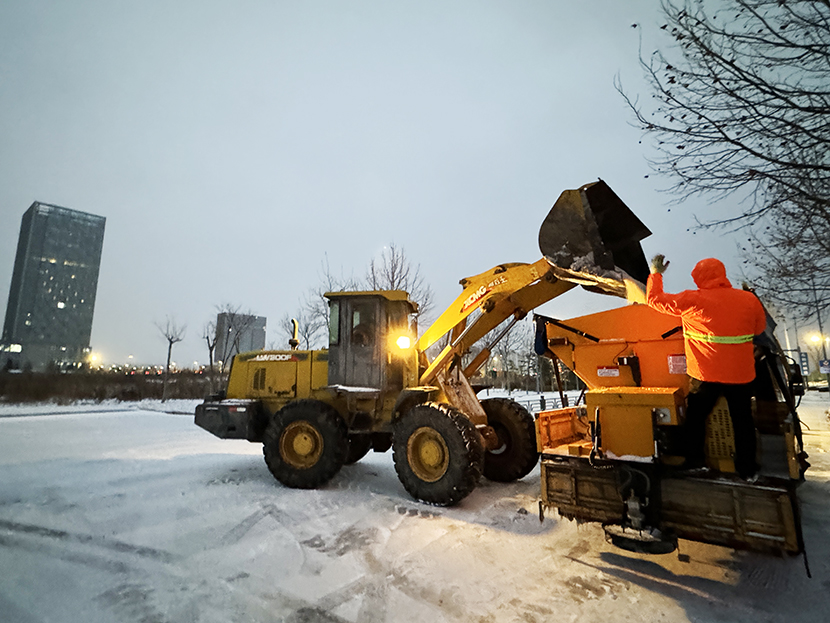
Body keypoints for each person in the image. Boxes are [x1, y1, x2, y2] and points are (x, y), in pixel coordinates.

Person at [646, 255, 767, 480]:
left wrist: (656, 274)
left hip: (705, 375)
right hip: (741, 374)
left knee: (696, 419)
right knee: (743, 421)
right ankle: (747, 469)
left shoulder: (693, 299)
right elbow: (759, 329)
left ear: (699, 278)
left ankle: (695, 461)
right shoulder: (748, 299)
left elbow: (654, 300)